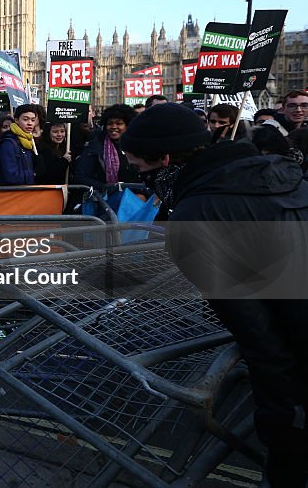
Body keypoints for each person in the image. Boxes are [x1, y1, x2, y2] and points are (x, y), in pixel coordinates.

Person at [121, 104, 308, 486]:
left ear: (166, 160)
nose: (141, 179)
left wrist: (281, 425)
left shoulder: (194, 216)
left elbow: (261, 340)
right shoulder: (286, 176)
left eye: (141, 168)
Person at [72, 104, 140, 189]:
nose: (114, 127)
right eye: (110, 123)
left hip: (134, 197)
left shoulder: (136, 146)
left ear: (127, 125)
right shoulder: (95, 146)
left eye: (119, 123)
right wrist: (107, 188)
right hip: (103, 198)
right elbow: (82, 176)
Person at [0, 104, 40, 186]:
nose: (30, 123)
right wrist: (33, 173)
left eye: (33, 120)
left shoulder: (28, 142)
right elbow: (11, 176)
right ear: (16, 120)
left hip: (26, 193)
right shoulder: (9, 143)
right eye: (25, 119)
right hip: (13, 194)